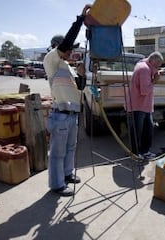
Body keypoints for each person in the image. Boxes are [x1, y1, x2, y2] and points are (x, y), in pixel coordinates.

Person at [43, 4, 91, 196]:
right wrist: (80, 19)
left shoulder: (67, 66)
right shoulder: (51, 60)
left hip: (72, 115)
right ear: (57, 47)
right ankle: (56, 184)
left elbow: (79, 88)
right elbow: (67, 42)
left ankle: (67, 174)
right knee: (57, 152)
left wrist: (81, 76)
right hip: (61, 115)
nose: (71, 51)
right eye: (69, 48)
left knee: (71, 147)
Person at [125, 51, 164, 160]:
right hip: (137, 106)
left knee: (148, 129)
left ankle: (145, 151)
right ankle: (135, 154)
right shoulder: (144, 69)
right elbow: (144, 90)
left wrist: (155, 74)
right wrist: (154, 81)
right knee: (137, 131)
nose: (157, 68)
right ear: (151, 61)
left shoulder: (146, 67)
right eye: (156, 65)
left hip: (144, 106)